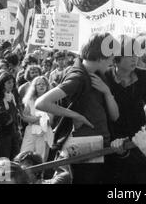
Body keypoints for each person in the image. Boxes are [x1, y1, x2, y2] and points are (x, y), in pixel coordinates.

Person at [35, 32, 119, 184]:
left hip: (97, 145)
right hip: (81, 148)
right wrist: (75, 115)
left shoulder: (97, 74)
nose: (113, 62)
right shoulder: (78, 77)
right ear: (101, 57)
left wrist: (107, 92)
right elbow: (41, 102)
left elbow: (114, 116)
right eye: (111, 57)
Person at [103, 35, 146, 184]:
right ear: (117, 57)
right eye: (130, 55)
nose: (135, 59)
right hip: (113, 142)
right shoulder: (104, 77)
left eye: (136, 54)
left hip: (137, 139)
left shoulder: (145, 77)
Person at [0, 71, 22, 161]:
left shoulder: (13, 96)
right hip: (3, 136)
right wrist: (3, 123)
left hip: (14, 135)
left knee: (15, 161)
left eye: (12, 82)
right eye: (8, 82)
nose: (11, 84)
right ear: (2, 84)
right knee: (3, 163)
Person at [20, 76, 54, 161]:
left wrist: (39, 120)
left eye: (43, 84)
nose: (41, 86)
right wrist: (37, 119)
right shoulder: (30, 100)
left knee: (40, 158)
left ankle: (39, 174)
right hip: (30, 132)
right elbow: (24, 117)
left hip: (44, 132)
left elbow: (50, 120)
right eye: (39, 84)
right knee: (24, 155)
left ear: (47, 86)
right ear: (35, 86)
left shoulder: (50, 100)